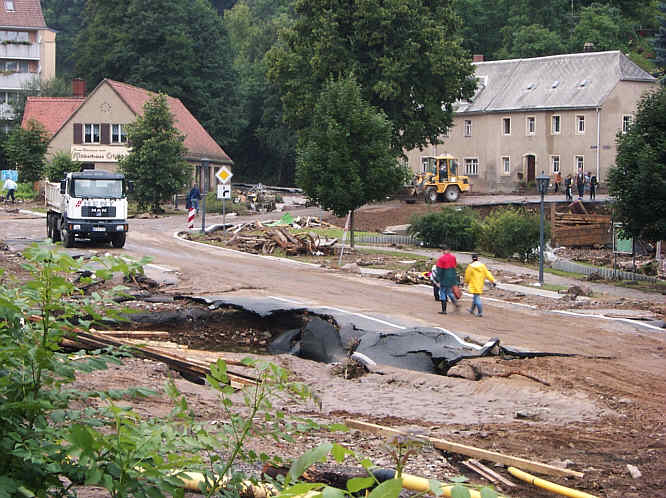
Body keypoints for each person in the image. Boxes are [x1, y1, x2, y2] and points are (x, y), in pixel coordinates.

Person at [435, 244, 459, 314]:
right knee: (449, 292)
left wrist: (438, 280)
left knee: (442, 292)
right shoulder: (453, 257)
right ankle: (455, 303)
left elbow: (439, 270)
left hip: (444, 278)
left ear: (443, 250)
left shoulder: (441, 259)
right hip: (452, 277)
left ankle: (444, 310)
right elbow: (455, 267)